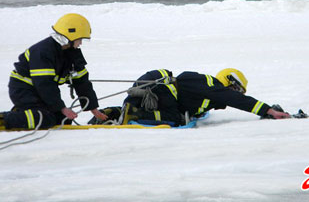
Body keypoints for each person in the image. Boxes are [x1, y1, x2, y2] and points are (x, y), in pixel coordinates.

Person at [0, 13, 107, 130]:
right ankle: (4, 120)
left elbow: (82, 82)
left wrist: (94, 109)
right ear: (70, 37)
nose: (80, 43)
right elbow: (45, 84)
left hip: (41, 92)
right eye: (80, 39)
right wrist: (62, 107)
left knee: (63, 119)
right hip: (24, 90)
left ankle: (23, 113)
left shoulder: (71, 53)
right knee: (44, 119)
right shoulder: (43, 52)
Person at [89, 68, 290, 126]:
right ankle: (133, 114)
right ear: (229, 83)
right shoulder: (211, 85)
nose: (235, 95)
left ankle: (113, 113)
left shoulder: (207, 93)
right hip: (159, 90)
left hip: (157, 93)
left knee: (179, 115)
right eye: (236, 90)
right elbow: (233, 99)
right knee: (176, 119)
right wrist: (267, 110)